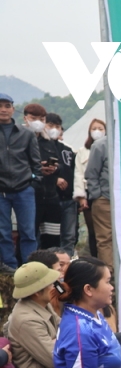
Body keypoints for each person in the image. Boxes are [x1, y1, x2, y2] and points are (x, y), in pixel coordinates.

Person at [0, 93, 42, 270]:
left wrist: (34, 181)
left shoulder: (26, 134)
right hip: (1, 191)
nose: (3, 109)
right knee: (3, 231)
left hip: (24, 189)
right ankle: (9, 265)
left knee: (28, 231)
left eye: (7, 105)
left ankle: (29, 266)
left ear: (13, 109)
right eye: (0, 106)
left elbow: (36, 162)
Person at [35, 113, 76, 251]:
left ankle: (66, 262)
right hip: (48, 197)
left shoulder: (67, 150)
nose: (54, 129)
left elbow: (69, 170)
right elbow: (44, 168)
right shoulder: (39, 145)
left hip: (68, 198)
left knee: (68, 235)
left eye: (57, 126)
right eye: (50, 125)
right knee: (45, 235)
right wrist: (54, 179)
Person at [82, 118, 113, 281]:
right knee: (104, 239)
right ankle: (109, 276)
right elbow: (91, 174)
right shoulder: (100, 145)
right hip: (105, 199)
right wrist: (98, 195)